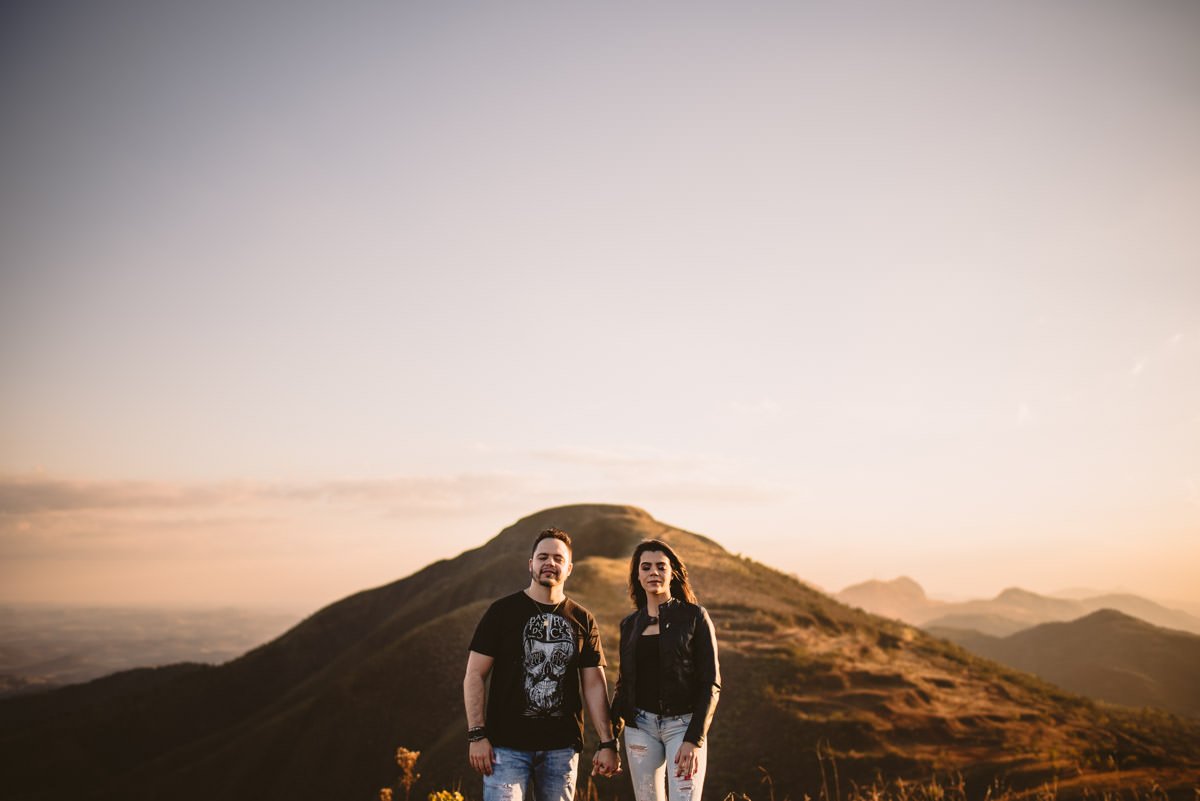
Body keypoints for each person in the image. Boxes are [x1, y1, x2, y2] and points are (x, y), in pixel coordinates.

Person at [464, 528, 621, 801]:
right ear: (531, 564)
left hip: (561, 750)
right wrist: (477, 735)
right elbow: (474, 675)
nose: (550, 563)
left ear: (569, 568)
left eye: (558, 558)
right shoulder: (501, 613)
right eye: (543, 557)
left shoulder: (583, 619)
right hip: (506, 748)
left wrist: (608, 742)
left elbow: (594, 685)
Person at [611, 540, 720, 801]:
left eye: (661, 567)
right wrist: (609, 740)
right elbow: (624, 684)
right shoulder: (629, 625)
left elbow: (711, 682)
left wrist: (694, 739)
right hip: (640, 728)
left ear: (673, 573)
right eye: (646, 567)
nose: (654, 573)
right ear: (638, 576)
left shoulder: (695, 617)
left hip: (683, 727)